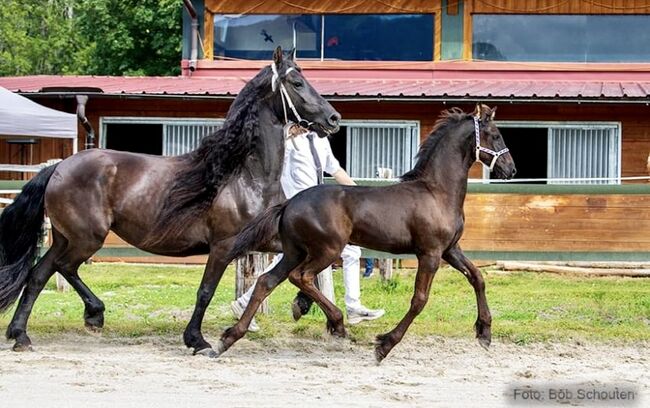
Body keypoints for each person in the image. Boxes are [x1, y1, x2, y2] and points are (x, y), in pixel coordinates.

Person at [231, 123, 385, 331]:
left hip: (321, 210)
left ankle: (353, 306)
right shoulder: (289, 142)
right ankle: (350, 305)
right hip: (299, 211)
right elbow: (268, 154)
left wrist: (363, 196)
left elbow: (336, 170)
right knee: (306, 255)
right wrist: (286, 133)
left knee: (347, 251)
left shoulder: (320, 141)